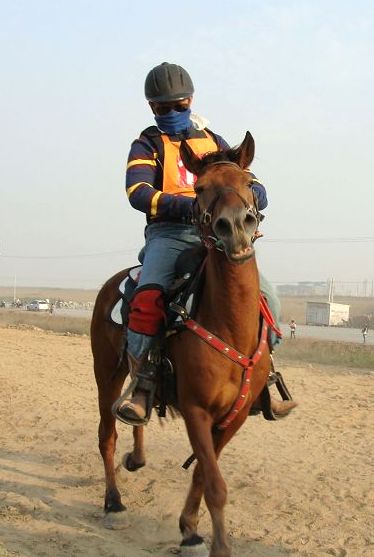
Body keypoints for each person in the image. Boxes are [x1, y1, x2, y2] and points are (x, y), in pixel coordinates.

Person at [114, 62, 296, 425]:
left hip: (214, 234)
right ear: (152, 107)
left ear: (190, 100)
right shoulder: (147, 143)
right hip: (167, 234)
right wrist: (190, 205)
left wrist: (250, 197)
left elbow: (249, 182)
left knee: (269, 299)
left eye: (178, 105)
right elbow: (138, 193)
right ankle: (143, 383)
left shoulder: (213, 140)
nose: (171, 112)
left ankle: (263, 379)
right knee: (148, 301)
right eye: (163, 107)